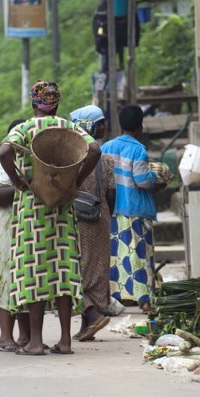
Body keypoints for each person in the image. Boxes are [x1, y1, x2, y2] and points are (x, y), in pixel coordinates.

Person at [0, 81, 101, 356]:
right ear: (57, 102)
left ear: (34, 102)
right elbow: (94, 151)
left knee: (34, 270)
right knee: (63, 269)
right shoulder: (68, 127)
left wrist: (18, 181)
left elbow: (5, 152)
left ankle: (35, 342)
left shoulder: (25, 128)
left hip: (33, 208)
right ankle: (66, 340)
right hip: (63, 208)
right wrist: (76, 182)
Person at [101, 104, 164, 313]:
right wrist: (156, 177)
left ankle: (115, 297)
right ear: (140, 126)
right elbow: (142, 180)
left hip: (113, 210)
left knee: (117, 256)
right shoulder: (138, 150)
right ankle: (144, 300)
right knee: (139, 255)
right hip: (135, 211)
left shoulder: (106, 147)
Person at [0, 119, 30, 352]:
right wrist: (24, 187)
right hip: (3, 231)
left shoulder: (32, 163)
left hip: (27, 230)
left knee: (25, 280)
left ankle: (26, 336)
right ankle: (5, 336)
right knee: (5, 280)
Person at [69, 105, 116, 341]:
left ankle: (93, 314)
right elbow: (111, 195)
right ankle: (86, 327)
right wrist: (107, 215)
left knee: (77, 269)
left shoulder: (70, 156)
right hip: (101, 217)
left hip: (77, 219)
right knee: (96, 270)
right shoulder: (105, 159)